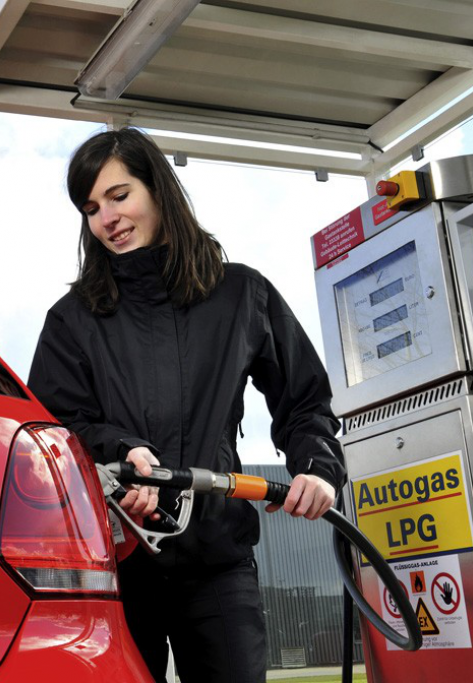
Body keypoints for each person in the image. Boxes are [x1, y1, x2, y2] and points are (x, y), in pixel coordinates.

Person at [27, 128, 346, 683]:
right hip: (117, 569)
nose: (107, 219)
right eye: (92, 209)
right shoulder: (71, 319)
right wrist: (123, 452)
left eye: (119, 196)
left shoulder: (241, 294)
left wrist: (317, 467)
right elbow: (55, 431)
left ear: (158, 189)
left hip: (218, 560)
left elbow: (303, 400)